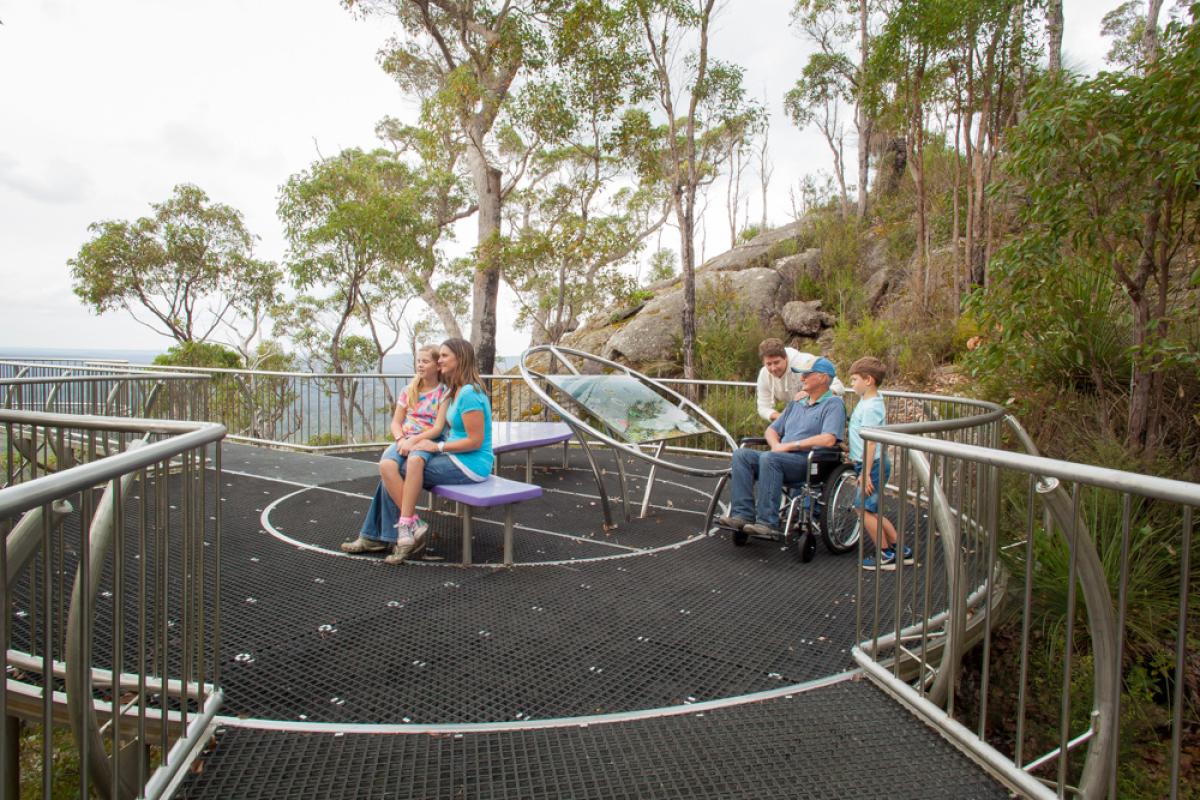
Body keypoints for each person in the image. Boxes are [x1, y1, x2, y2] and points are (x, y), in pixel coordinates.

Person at [719, 357, 846, 537]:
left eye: (806, 375)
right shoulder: (796, 403)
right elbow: (772, 430)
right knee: (741, 455)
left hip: (808, 462)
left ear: (823, 378)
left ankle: (767, 523)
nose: (801, 378)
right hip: (780, 458)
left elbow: (828, 439)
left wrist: (788, 446)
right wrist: (776, 445)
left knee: (770, 458)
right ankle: (742, 515)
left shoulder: (834, 404)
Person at [342, 344, 447, 561]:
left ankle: (375, 537)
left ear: (437, 366)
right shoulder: (409, 390)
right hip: (405, 439)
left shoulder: (443, 393)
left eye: (425, 361)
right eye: (418, 361)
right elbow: (396, 422)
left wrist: (413, 442)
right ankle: (413, 523)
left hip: (425, 441)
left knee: (389, 480)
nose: (420, 365)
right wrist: (401, 439)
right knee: (387, 466)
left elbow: (437, 428)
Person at [846, 356, 910, 570]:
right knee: (870, 510)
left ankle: (885, 555)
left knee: (863, 509)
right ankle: (900, 549)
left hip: (871, 464)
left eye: (855, 379)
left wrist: (864, 472)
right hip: (868, 463)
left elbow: (871, 441)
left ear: (869, 380)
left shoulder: (872, 407)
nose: (852, 384)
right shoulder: (869, 401)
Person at [755, 338, 845, 422]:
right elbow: (763, 407)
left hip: (828, 414)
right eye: (768, 364)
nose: (773, 368)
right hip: (800, 419)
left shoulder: (806, 362)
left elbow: (838, 386)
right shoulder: (764, 375)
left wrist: (811, 393)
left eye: (776, 362)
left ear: (785, 357)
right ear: (763, 363)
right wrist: (782, 417)